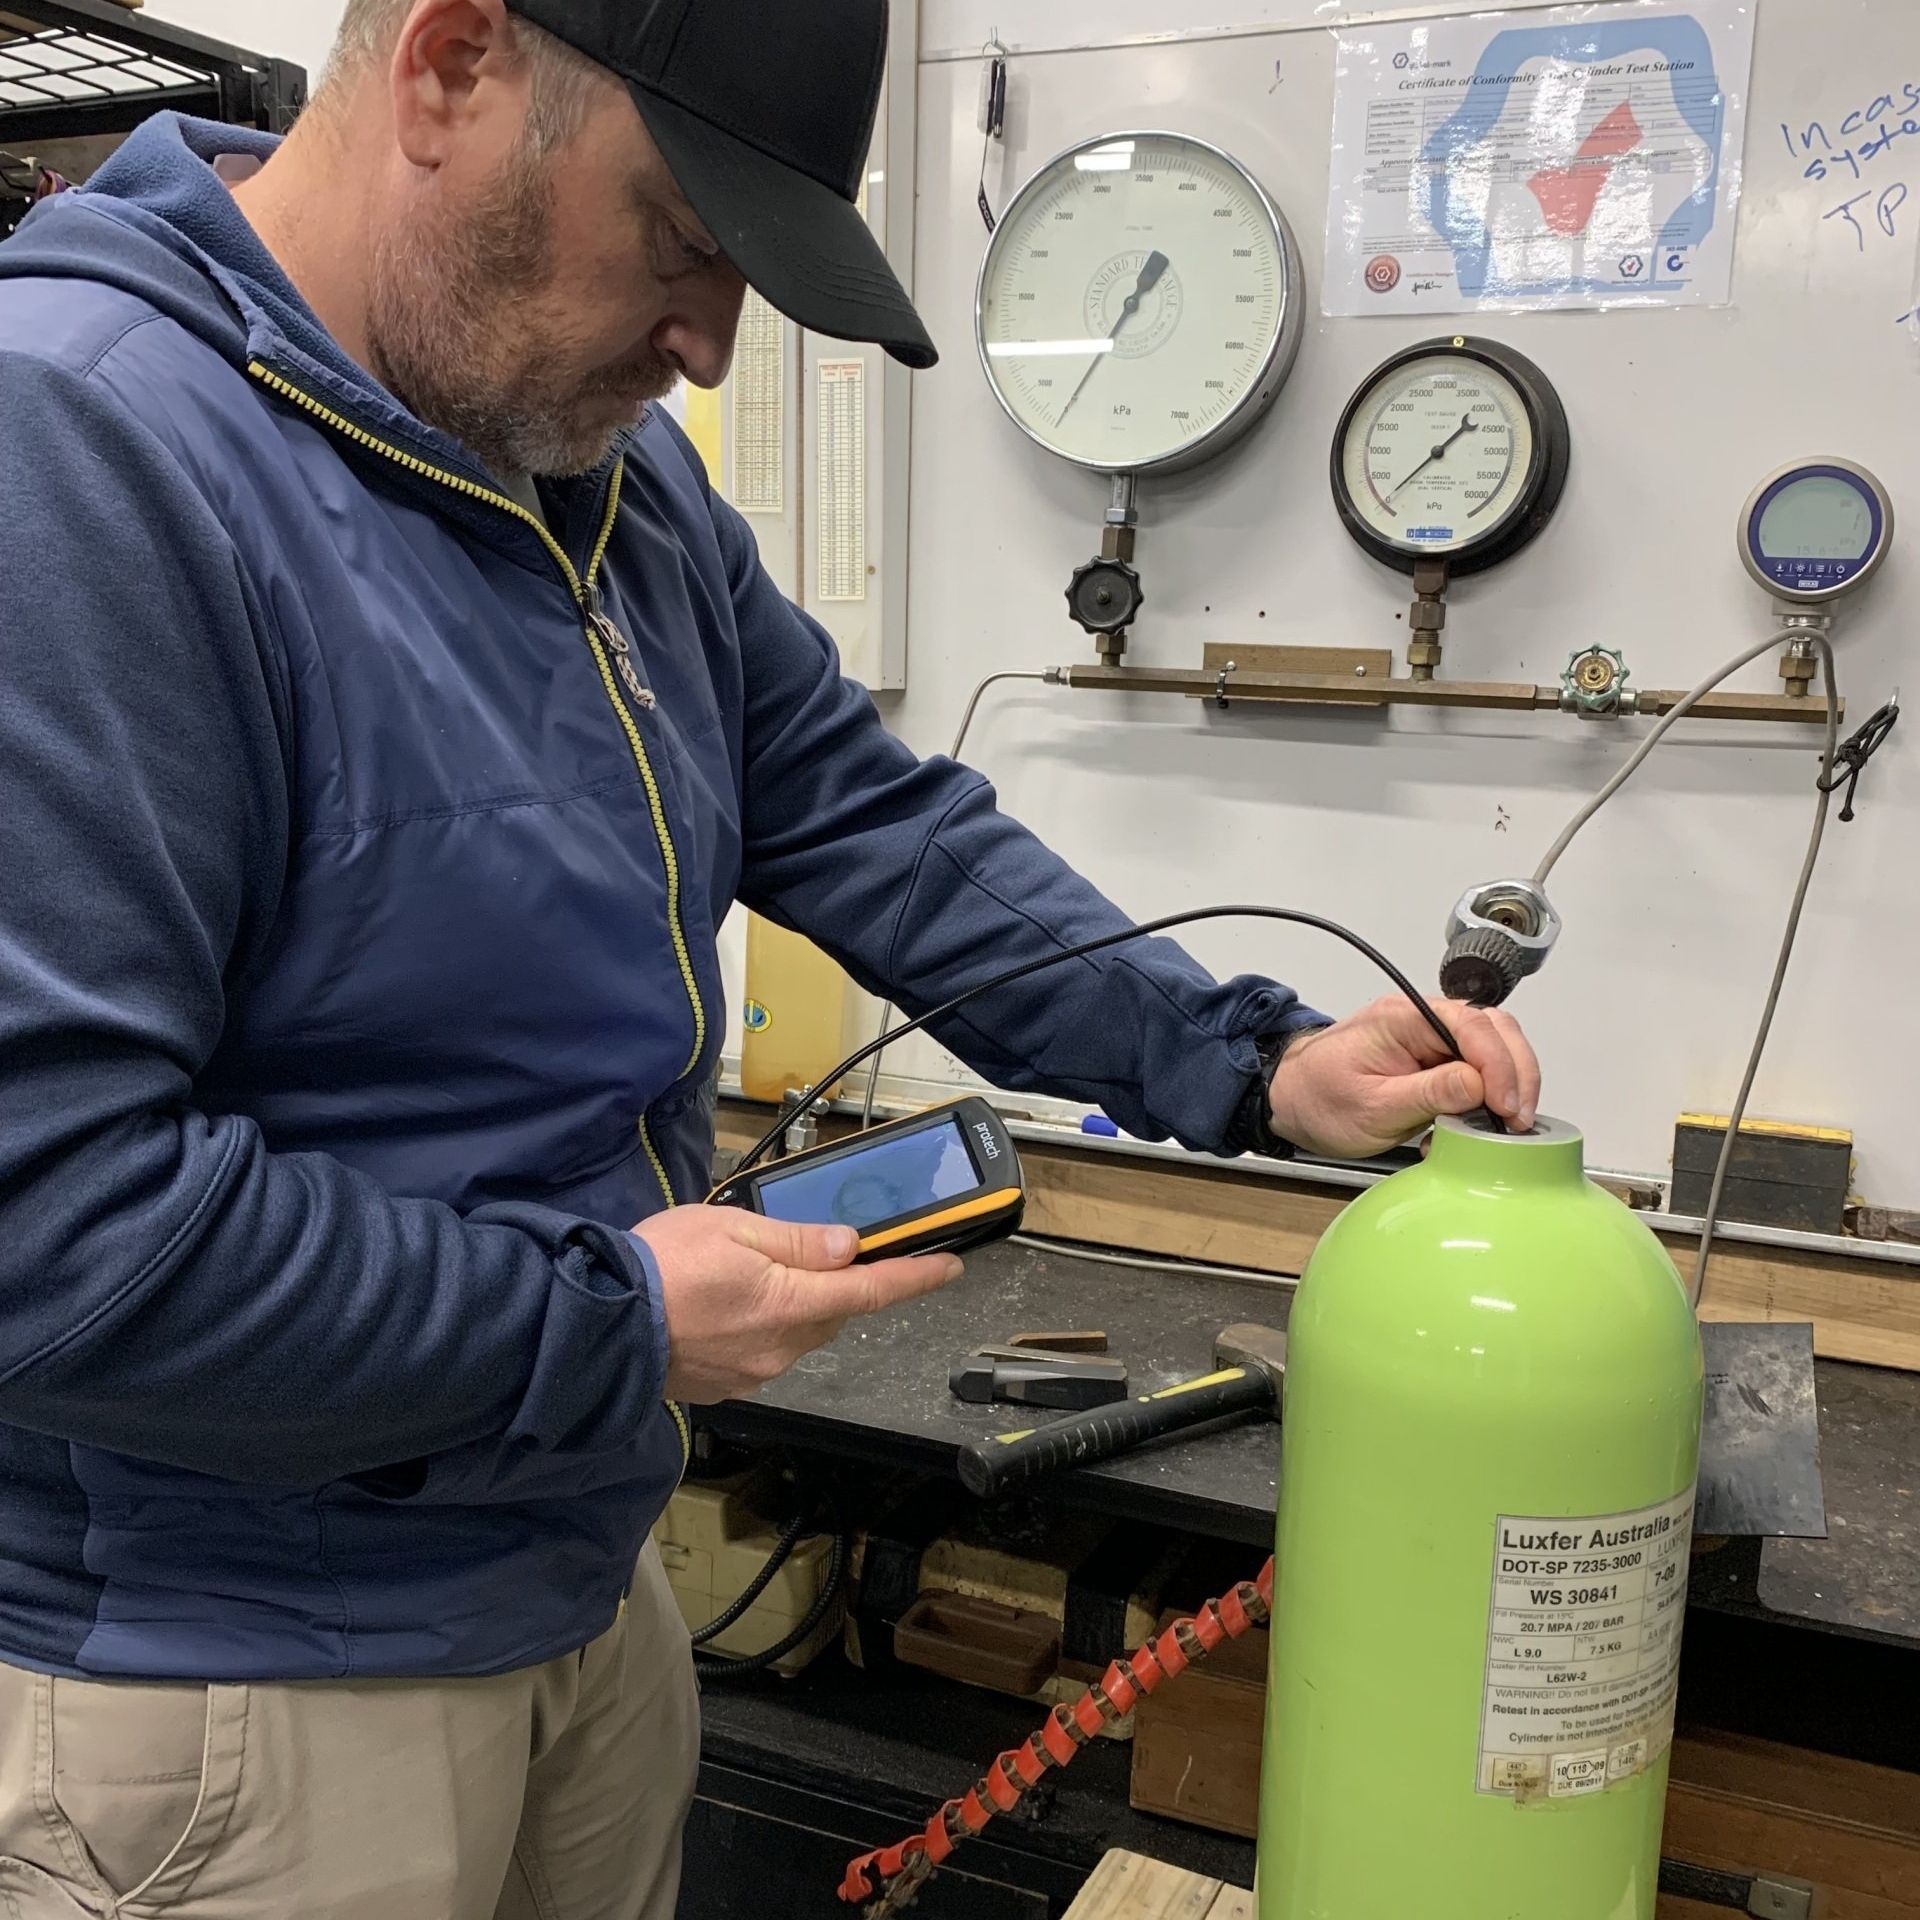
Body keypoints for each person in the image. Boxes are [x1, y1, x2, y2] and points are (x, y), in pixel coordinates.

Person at [0, 2, 1539, 1914]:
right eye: (682, 237)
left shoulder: (612, 493)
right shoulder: (73, 447)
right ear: (453, 65)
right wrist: (608, 1321)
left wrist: (1251, 1063)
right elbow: (46, 1230)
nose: (714, 344)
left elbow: (871, 824)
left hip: (574, 1573)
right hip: (230, 1691)